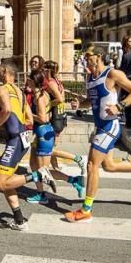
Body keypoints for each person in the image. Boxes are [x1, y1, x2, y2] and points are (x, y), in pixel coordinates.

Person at [63, 48, 131, 224]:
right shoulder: (91, 78)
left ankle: (86, 210)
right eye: (85, 58)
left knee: (92, 165)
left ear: (99, 56)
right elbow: (91, 100)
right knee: (109, 166)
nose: (87, 61)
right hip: (100, 126)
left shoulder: (113, 74)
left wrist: (120, 106)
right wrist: (80, 103)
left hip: (109, 127)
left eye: (90, 57)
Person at [0, 61, 57, 232]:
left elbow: (7, 111)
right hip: (22, 139)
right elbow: (30, 120)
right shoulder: (19, 91)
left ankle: (38, 175)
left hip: (15, 141)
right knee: (6, 182)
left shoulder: (2, 89)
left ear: (5, 72)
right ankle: (19, 221)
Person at [25, 71, 86, 205]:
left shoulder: (40, 97)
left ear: (34, 81)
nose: (26, 81)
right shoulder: (39, 94)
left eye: (29, 79)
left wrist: (28, 115)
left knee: (43, 170)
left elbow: (42, 118)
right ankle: (40, 193)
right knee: (33, 165)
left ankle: (74, 180)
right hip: (39, 133)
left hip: (43, 133)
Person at [40, 60, 85, 172]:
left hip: (54, 117)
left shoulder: (51, 83)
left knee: (47, 148)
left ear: (48, 70)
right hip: (60, 115)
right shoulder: (57, 81)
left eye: (43, 69)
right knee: (52, 145)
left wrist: (48, 104)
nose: (42, 71)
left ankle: (77, 158)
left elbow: (61, 99)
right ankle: (55, 167)